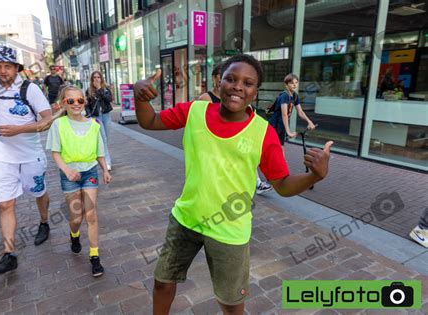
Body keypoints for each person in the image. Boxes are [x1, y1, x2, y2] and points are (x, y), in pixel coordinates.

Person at [134, 54, 333, 314]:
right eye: (231, 78)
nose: (238, 86)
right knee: (162, 283)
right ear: (219, 83)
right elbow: (149, 120)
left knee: (230, 304)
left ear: (255, 92)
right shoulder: (194, 111)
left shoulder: (263, 133)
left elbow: (282, 185)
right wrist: (139, 96)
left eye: (247, 83)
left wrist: (313, 176)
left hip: (230, 231)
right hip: (185, 218)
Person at [0, 46, 52, 275]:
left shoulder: (31, 89)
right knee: (5, 204)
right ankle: (9, 254)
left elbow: (47, 120)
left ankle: (43, 221)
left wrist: (20, 129)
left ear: (16, 68)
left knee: (39, 192)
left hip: (30, 155)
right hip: (0, 157)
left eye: (7, 66)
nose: (2, 71)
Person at [45, 85, 111, 276]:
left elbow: (100, 152)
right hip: (70, 176)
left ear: (85, 101)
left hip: (90, 172)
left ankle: (94, 256)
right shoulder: (59, 125)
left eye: (79, 100)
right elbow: (55, 153)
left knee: (90, 215)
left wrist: (105, 170)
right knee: (76, 218)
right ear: (63, 104)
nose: (76, 104)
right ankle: (74, 235)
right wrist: (67, 171)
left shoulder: (94, 125)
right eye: (70, 101)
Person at [198, 64, 272, 195]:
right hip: (215, 143)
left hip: (235, 138)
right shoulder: (206, 98)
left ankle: (256, 183)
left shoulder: (235, 98)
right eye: (223, 77)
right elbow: (200, 124)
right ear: (214, 78)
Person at [268, 73, 315, 151]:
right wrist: (288, 132)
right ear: (286, 85)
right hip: (274, 126)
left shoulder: (295, 96)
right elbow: (284, 114)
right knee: (271, 148)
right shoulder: (284, 96)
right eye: (292, 83)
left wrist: (309, 121)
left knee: (281, 148)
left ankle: (281, 163)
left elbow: (300, 112)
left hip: (282, 126)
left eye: (296, 83)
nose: (294, 85)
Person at [86, 71, 113, 170]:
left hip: (106, 115)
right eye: (94, 78)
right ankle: (107, 162)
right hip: (96, 117)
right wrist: (89, 115)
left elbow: (109, 99)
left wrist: (100, 90)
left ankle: (99, 156)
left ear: (101, 79)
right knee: (104, 139)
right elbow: (87, 105)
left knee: (105, 139)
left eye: (98, 77)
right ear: (92, 80)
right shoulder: (89, 91)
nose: (97, 79)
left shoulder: (106, 89)